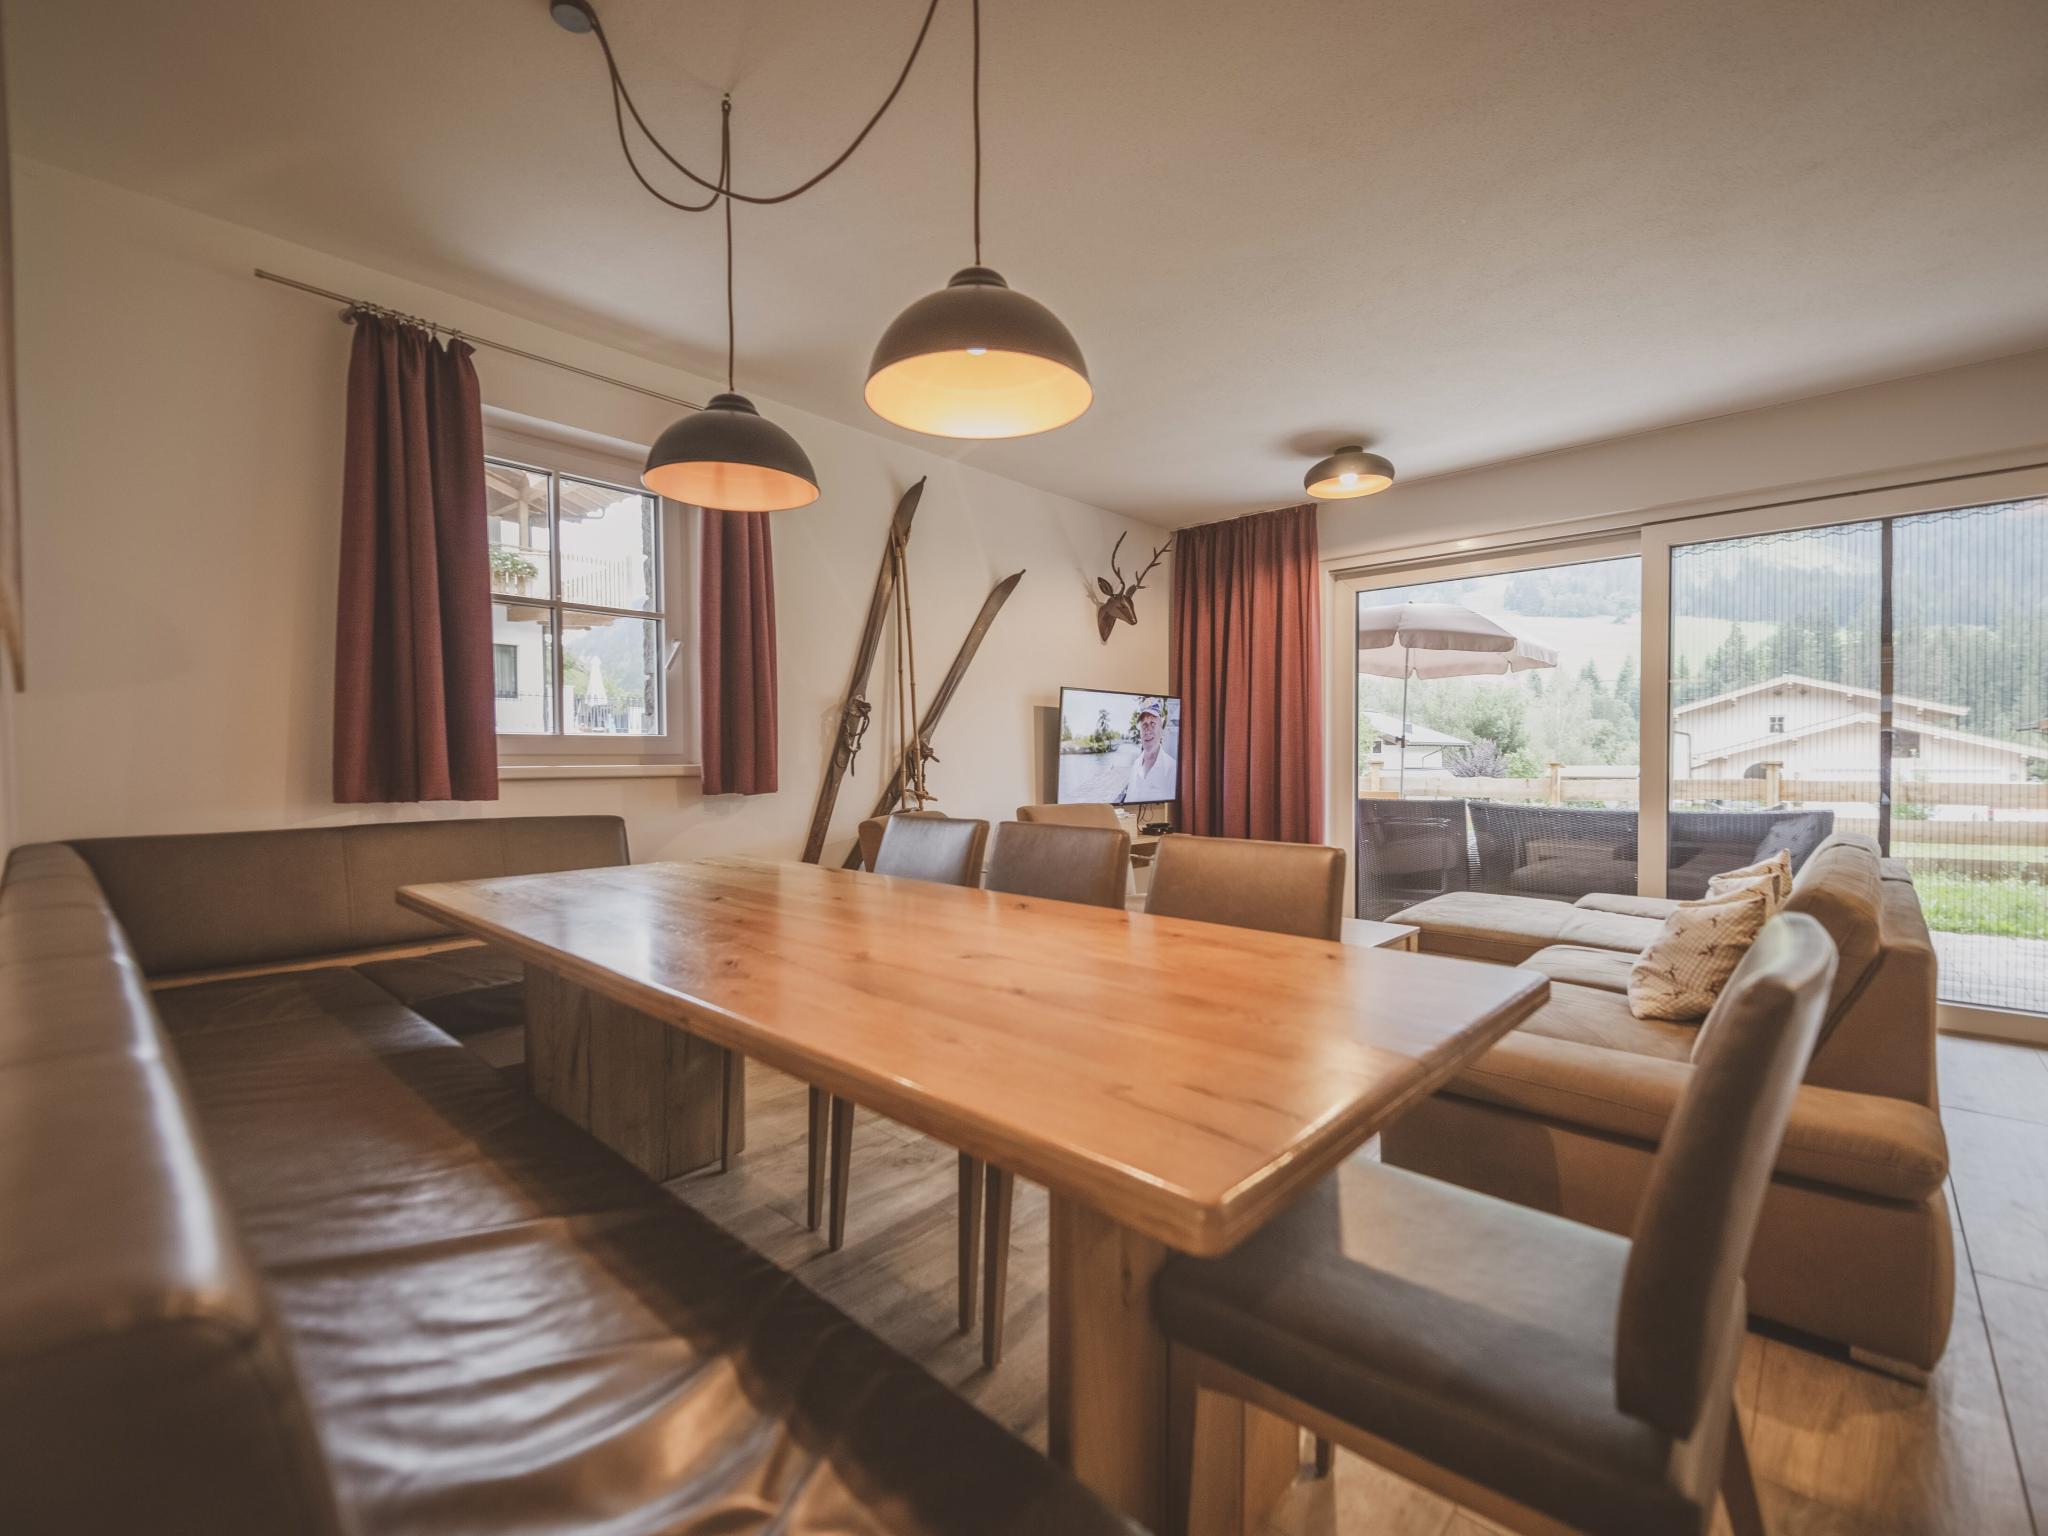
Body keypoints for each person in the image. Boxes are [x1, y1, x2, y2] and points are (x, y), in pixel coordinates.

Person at [1116, 696, 1179, 804]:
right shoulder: (1136, 765)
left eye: (1153, 723)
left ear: (1161, 729)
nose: (1147, 730)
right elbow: (1129, 800)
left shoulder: (1172, 768)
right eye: (1144, 725)